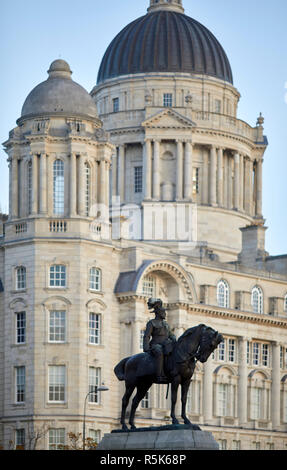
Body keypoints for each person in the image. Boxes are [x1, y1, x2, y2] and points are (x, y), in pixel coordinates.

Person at [143, 298, 176, 384]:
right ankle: (159, 375)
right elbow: (147, 336)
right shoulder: (152, 323)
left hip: (165, 344)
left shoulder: (166, 324)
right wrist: (146, 347)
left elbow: (170, 334)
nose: (165, 314)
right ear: (158, 313)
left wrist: (175, 340)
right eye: (163, 312)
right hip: (155, 345)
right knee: (159, 352)